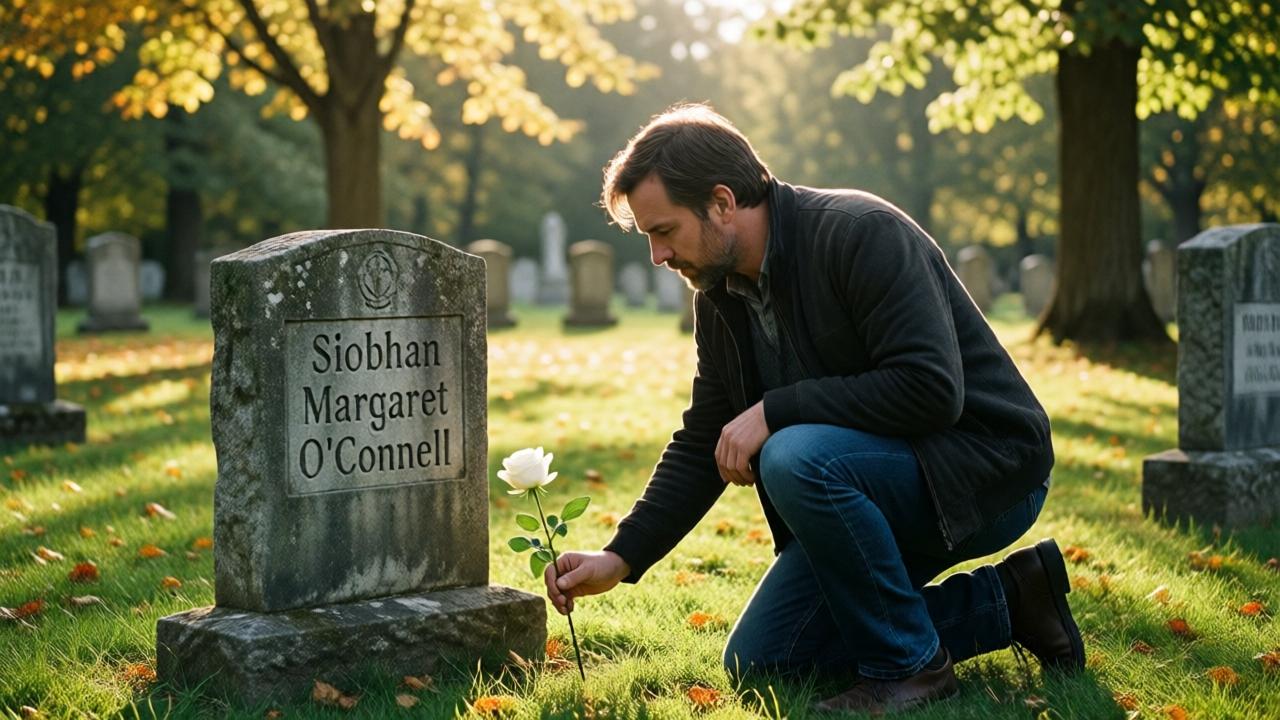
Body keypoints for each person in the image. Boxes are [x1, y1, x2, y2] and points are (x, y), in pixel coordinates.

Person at [543, 103, 1084, 714]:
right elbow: (706, 438)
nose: (657, 257)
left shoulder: (860, 232)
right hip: (871, 485)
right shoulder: (718, 294)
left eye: (663, 231)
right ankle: (1014, 599)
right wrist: (621, 556)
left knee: (794, 454)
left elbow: (930, 388)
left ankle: (909, 669)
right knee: (766, 660)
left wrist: (778, 409)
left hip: (987, 470)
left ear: (722, 203)